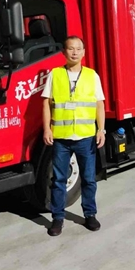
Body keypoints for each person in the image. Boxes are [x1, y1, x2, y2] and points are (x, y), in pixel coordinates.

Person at [42, 36, 106, 237]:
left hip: (85, 137)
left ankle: (90, 214)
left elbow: (99, 104)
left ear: (84, 52)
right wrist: (47, 129)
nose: (75, 52)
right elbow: (46, 103)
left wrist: (101, 129)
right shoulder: (55, 74)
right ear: (64, 52)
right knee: (59, 180)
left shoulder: (91, 75)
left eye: (78, 49)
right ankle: (57, 218)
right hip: (61, 137)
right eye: (71, 48)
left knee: (88, 179)